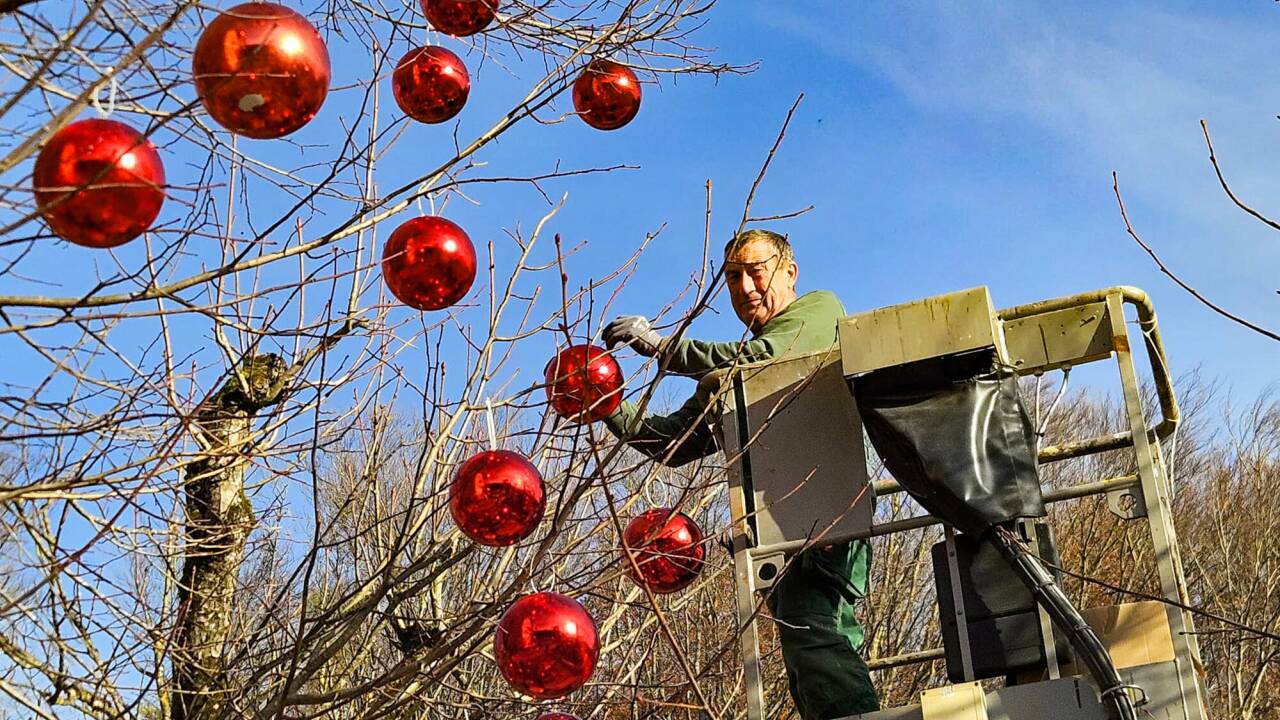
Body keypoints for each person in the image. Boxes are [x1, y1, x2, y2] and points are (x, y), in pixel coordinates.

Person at [601, 229, 879, 719]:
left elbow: (763, 360)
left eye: (756, 271)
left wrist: (664, 347)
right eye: (733, 277)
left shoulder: (817, 310)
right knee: (805, 658)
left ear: (788, 272)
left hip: (826, 522)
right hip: (776, 532)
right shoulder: (728, 384)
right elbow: (672, 442)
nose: (745, 287)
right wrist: (604, 405)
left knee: (819, 642)